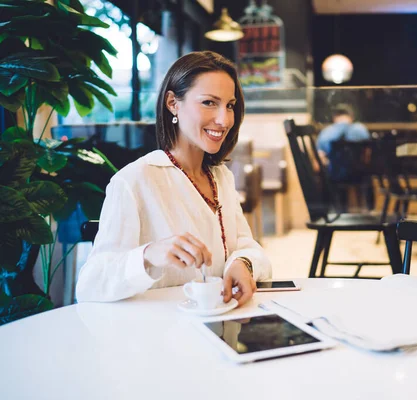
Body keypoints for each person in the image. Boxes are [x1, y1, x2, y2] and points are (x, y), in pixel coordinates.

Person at [76, 51, 272, 305]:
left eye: (230, 105)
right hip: (158, 335)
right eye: (209, 102)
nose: (224, 120)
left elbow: (247, 245)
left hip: (217, 329)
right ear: (172, 103)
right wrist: (149, 255)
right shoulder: (134, 181)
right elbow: (90, 285)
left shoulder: (220, 177)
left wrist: (242, 263)